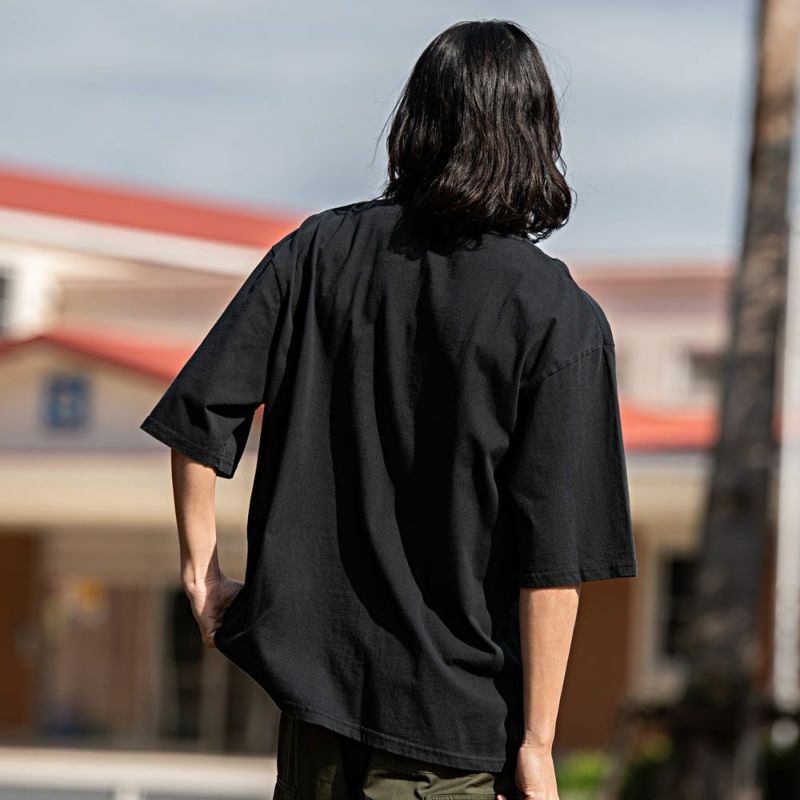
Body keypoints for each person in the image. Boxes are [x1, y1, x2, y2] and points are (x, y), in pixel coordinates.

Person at [139, 18, 638, 800]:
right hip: (451, 735)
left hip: (314, 714)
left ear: (418, 121)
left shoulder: (316, 252)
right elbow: (553, 564)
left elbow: (198, 417)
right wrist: (537, 745)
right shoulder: (557, 317)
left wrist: (201, 575)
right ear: (536, 133)